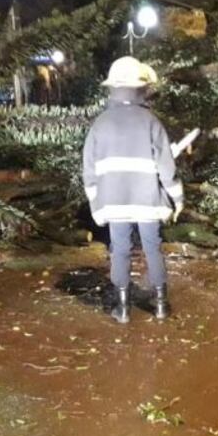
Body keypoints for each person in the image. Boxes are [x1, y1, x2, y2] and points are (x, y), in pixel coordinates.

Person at [82, 57, 184, 324]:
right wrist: (177, 198)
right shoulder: (151, 121)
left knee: (121, 250)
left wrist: (96, 205)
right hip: (148, 199)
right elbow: (166, 167)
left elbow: (89, 170)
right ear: (142, 88)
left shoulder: (100, 124)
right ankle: (161, 305)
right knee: (152, 247)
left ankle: (123, 308)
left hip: (115, 202)